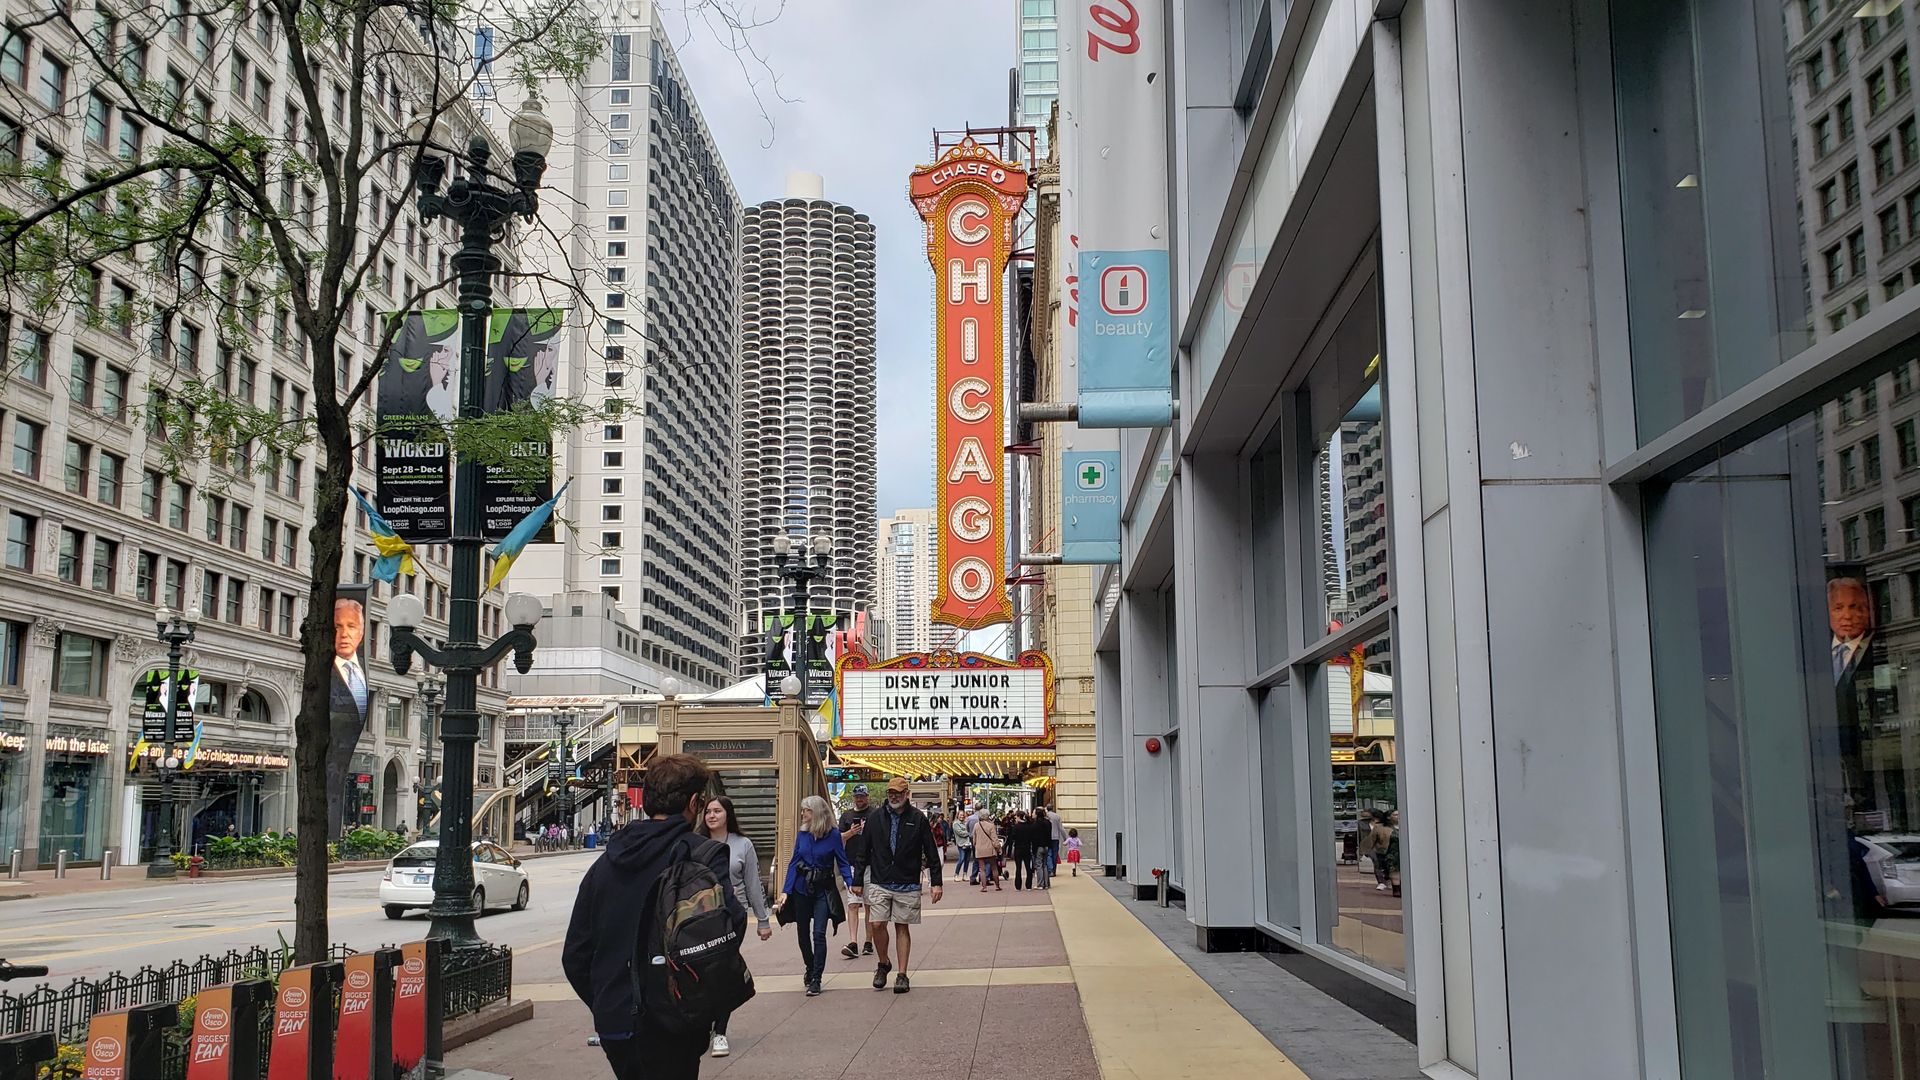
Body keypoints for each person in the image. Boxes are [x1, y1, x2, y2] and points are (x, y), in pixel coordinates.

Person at [562, 753, 739, 1080]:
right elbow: (730, 927)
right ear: (694, 802)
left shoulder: (606, 862)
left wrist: (606, 1000)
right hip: (676, 1019)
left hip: (616, 1021)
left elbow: (575, 953)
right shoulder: (701, 855)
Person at [850, 777, 943, 993]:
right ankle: (884, 963)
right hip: (880, 879)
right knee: (877, 924)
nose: (894, 796)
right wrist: (857, 881)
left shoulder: (917, 818)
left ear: (907, 794)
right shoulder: (875, 818)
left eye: (898, 793)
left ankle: (902, 974)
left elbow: (930, 851)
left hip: (907, 880)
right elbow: (863, 850)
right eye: (891, 792)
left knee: (902, 926)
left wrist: (936, 882)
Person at [698, 796, 772, 1057]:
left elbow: (753, 884)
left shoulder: (743, 844)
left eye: (717, 811)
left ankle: (719, 1031)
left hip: (732, 917)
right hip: (699, 917)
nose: (712, 815)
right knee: (700, 973)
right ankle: (703, 1023)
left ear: (728, 814)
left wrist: (763, 921)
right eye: (708, 811)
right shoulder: (695, 842)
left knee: (723, 972)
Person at [773, 795, 851, 997]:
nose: (802, 814)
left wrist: (850, 882)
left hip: (823, 889)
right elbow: (793, 862)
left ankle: (816, 977)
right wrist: (785, 891)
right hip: (801, 888)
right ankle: (809, 965)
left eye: (805, 810)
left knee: (819, 934)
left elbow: (842, 861)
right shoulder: (803, 834)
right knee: (802, 932)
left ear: (815, 812)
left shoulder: (833, 835)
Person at [325, 595, 371, 835]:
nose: (344, 634)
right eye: (337, 626)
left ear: (361, 633)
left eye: (351, 626)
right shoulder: (326, 671)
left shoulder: (363, 675)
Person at [836, 785, 873, 959]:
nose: (859, 799)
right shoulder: (846, 816)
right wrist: (851, 832)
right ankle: (853, 942)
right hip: (851, 864)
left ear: (867, 797)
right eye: (857, 796)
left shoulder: (875, 815)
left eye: (862, 796)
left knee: (869, 905)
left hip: (870, 865)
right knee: (852, 904)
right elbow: (838, 838)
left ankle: (868, 941)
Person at [1359, 809, 1394, 891]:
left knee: (1386, 863)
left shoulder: (1385, 825)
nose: (1363, 813)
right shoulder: (1361, 823)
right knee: (1376, 861)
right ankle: (1381, 881)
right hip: (1371, 846)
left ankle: (1388, 879)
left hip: (1383, 846)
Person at [972, 810, 1004, 892]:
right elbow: (995, 839)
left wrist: (976, 845)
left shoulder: (976, 825)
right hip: (990, 849)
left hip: (979, 849)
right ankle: (997, 886)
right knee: (994, 867)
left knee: (982, 869)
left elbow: (974, 839)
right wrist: (998, 848)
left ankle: (984, 887)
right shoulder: (991, 826)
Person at [954, 806, 975, 881]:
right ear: (957, 815)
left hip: (968, 844)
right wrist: (969, 833)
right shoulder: (956, 824)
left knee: (967, 860)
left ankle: (965, 874)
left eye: (963, 815)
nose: (962, 816)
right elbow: (960, 833)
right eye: (960, 815)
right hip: (961, 844)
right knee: (961, 859)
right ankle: (956, 874)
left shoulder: (966, 823)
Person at [1045, 803, 1065, 874]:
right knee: (1055, 854)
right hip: (1055, 837)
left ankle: (1050, 869)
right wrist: (1065, 838)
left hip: (1047, 837)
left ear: (1047, 808)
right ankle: (1054, 870)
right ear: (1052, 808)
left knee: (1048, 854)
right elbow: (1061, 828)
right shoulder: (1057, 816)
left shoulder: (1045, 816)